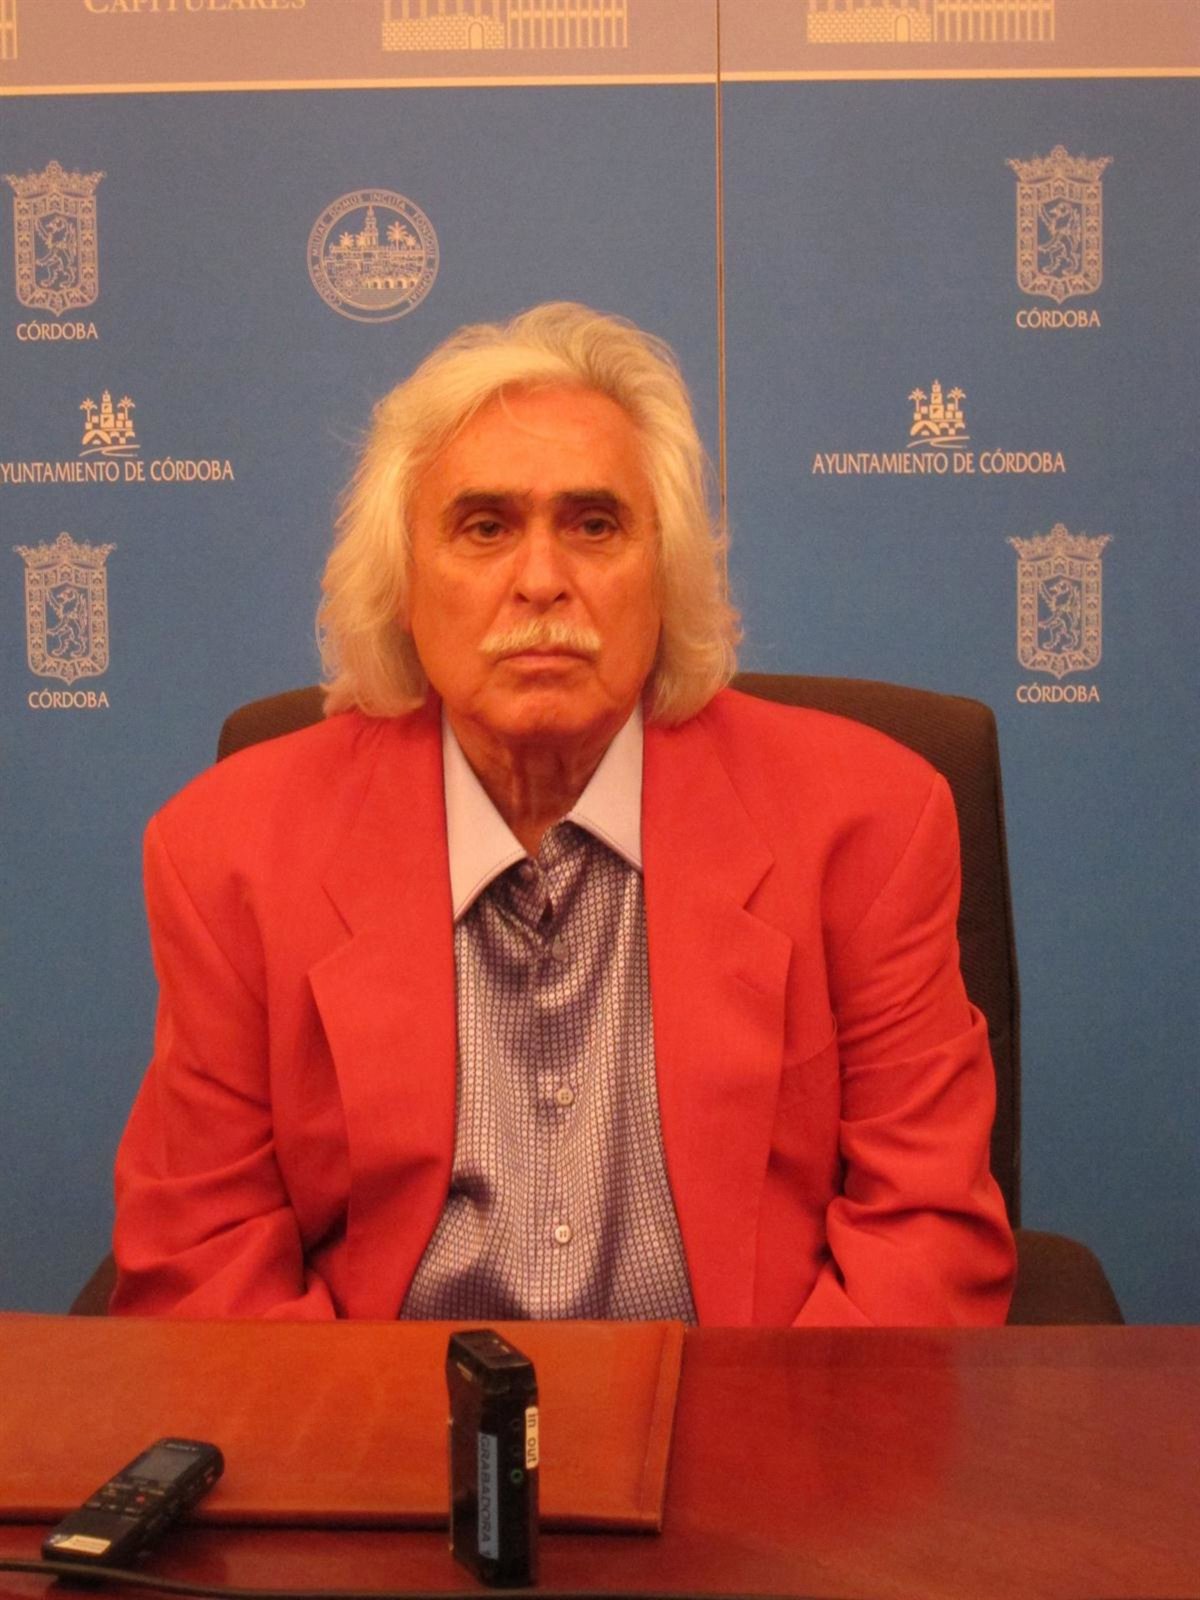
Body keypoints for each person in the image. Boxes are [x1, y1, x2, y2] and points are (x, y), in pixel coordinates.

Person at [111, 303, 1015, 1324]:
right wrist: (371, 1431)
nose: (542, 582)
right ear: (403, 583)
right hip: (382, 1408)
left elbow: (925, 1233)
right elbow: (205, 1261)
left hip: (748, 1404)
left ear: (665, 576)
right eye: (485, 527)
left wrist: (772, 1428)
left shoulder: (869, 821)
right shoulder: (228, 851)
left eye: (594, 525)